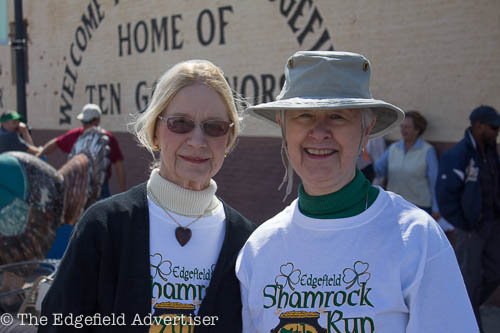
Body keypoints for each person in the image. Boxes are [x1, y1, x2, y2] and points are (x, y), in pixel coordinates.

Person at [236, 51, 477, 332]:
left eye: (338, 116)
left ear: (366, 130)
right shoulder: (260, 248)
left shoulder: (416, 238)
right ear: (283, 127)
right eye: (303, 115)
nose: (320, 132)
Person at [40, 59, 256, 332]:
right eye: (180, 123)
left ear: (229, 138)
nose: (198, 140)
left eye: (214, 127)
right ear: (155, 130)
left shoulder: (246, 242)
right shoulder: (105, 226)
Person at [436, 105, 500, 330]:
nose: (497, 132)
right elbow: (445, 195)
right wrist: (463, 224)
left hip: (492, 226)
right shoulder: (458, 155)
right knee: (469, 282)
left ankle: (459, 306)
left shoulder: (490, 152)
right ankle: (470, 324)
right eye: (494, 127)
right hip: (470, 229)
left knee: (494, 273)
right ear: (478, 125)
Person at [37, 103, 126, 198]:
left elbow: (119, 165)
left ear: (97, 121)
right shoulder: (76, 135)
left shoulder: (107, 139)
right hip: (77, 187)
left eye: (87, 122)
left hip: (100, 187)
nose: (84, 125)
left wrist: (122, 192)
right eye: (83, 122)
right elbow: (56, 143)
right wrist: (38, 156)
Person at [374, 110, 440, 219]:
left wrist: (436, 208)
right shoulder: (394, 148)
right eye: (402, 126)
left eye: (407, 127)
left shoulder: (427, 151)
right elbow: (377, 169)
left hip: (419, 207)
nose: (403, 130)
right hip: (394, 205)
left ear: (417, 130)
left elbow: (434, 181)